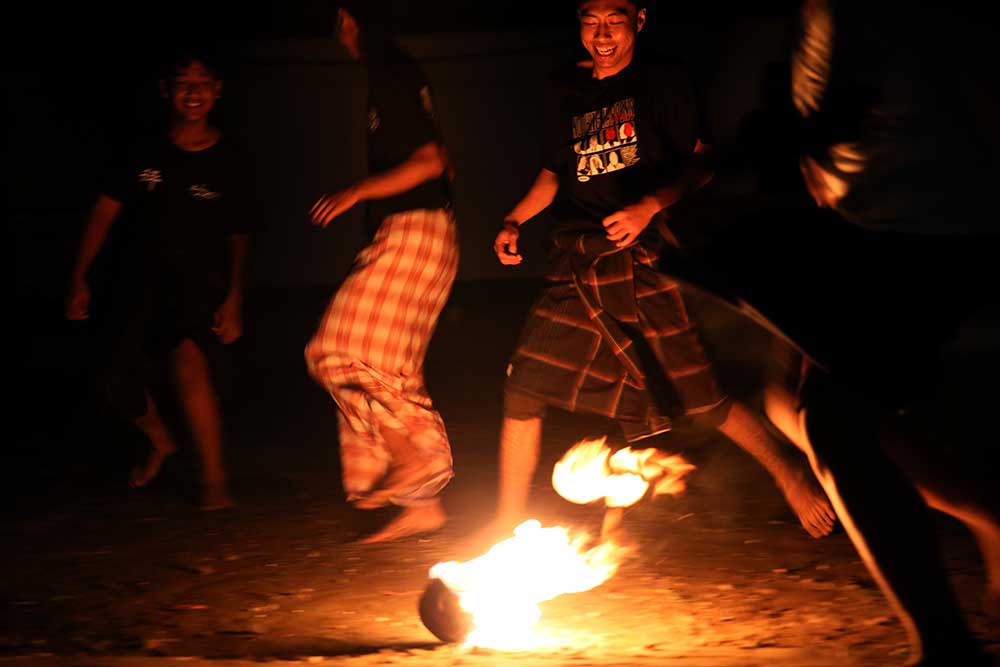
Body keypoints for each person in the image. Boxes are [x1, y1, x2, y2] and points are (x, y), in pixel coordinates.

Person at [671, 1, 999, 664]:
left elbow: (848, 108)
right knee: (789, 396)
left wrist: (749, 158)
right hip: (878, 228)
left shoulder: (850, 12)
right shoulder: (822, 13)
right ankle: (985, 526)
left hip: (917, 234)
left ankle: (947, 643)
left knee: (835, 415)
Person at [483, 0, 836, 544]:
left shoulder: (662, 81)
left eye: (614, 21)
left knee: (700, 395)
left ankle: (789, 474)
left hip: (645, 256)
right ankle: (505, 525)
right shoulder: (562, 89)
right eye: (589, 21)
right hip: (576, 258)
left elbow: (702, 161)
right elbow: (555, 172)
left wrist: (649, 206)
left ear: (639, 22)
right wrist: (513, 219)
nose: (601, 34)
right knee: (524, 385)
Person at [65, 47, 249, 511]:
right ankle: (161, 441)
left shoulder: (229, 158)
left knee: (189, 366)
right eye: (184, 83)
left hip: (198, 280)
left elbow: (239, 232)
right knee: (113, 379)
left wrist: (234, 297)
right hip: (138, 280)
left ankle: (214, 480)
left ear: (217, 91)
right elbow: (103, 212)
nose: (194, 92)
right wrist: (79, 277)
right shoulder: (142, 150)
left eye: (203, 82)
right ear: (167, 91)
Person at [305, 3, 459, 544]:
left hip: (414, 229)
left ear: (349, 19)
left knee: (336, 350)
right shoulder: (396, 72)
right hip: (423, 230)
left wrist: (356, 192)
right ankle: (422, 505)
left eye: (340, 22)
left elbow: (432, 160)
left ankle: (411, 460)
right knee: (389, 366)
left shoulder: (391, 73)